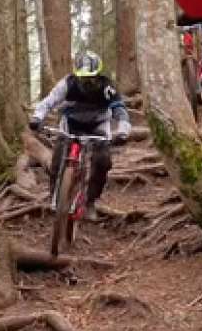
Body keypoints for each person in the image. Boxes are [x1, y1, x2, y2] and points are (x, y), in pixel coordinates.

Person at [29, 51, 131, 221]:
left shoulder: (107, 86)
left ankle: (90, 202)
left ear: (97, 74)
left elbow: (119, 110)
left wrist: (123, 130)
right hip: (71, 123)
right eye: (83, 78)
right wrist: (37, 118)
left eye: (90, 78)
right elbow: (49, 101)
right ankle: (55, 197)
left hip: (98, 125)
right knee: (58, 155)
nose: (86, 82)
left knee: (103, 160)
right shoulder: (68, 83)